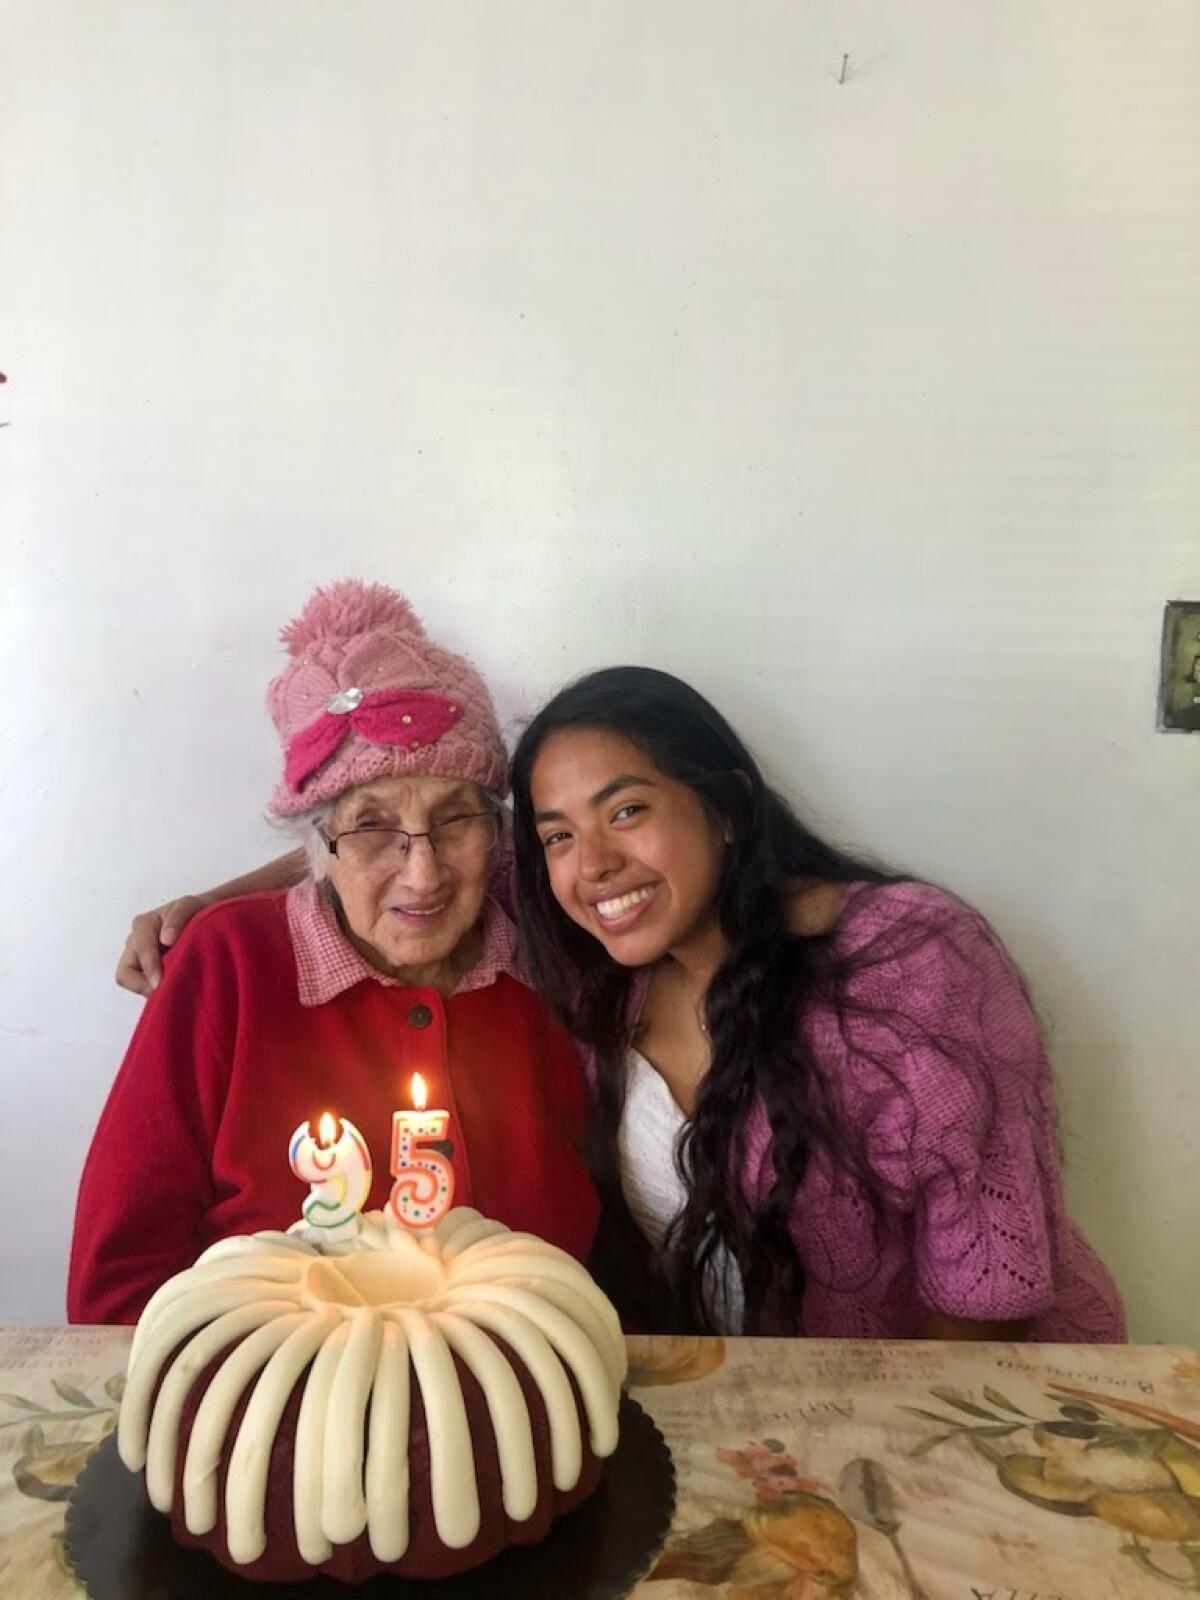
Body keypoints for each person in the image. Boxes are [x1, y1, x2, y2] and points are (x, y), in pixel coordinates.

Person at [113, 654, 1125, 1343]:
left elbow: (990, 1298)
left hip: (957, 1415)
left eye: (627, 811)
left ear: (726, 802)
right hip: (720, 1417)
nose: (593, 863)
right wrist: (208, 905)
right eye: (555, 833)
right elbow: (402, 846)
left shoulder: (908, 960)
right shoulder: (590, 943)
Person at [69, 582, 597, 1324]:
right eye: (372, 828)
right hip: (261, 1409)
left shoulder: (554, 949)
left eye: (456, 822)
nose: (425, 874)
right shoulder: (227, 967)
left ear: (498, 835)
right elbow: (117, 1281)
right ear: (316, 847)